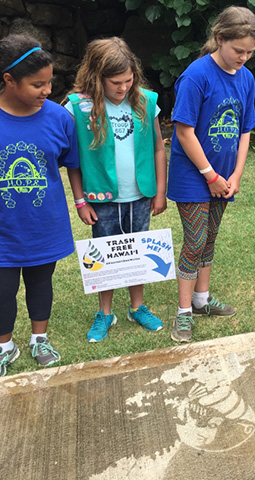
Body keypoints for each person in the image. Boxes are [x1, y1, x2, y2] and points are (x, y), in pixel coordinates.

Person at [167, 6, 255, 342]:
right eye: (238, 51)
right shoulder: (196, 75)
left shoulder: (246, 78)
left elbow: (246, 129)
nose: (244, 58)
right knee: (194, 240)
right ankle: (183, 313)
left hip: (224, 177)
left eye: (250, 52)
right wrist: (210, 174)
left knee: (209, 238)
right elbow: (183, 131)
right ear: (220, 38)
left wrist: (236, 174)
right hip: (193, 175)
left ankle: (202, 300)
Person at [66, 37, 167, 343]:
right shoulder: (77, 107)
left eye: (128, 80)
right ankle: (105, 312)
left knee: (138, 254)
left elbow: (159, 149)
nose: (123, 88)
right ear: (97, 77)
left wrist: (160, 191)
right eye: (115, 82)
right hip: (101, 199)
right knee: (103, 257)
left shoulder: (146, 102)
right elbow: (74, 161)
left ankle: (137, 307)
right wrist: (81, 201)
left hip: (140, 195)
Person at [0, 34, 79, 375]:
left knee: (40, 282)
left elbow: (69, 162)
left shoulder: (59, 119)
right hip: (4, 229)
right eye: (37, 84)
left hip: (43, 224)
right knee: (3, 289)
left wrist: (81, 200)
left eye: (49, 82)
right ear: (9, 80)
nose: (47, 91)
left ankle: (39, 338)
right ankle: (5, 346)